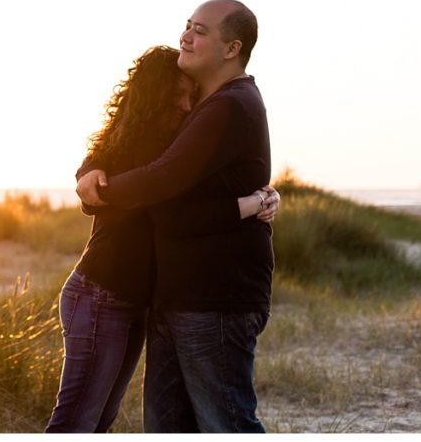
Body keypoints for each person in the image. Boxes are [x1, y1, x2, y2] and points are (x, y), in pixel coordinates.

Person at [46, 44, 279, 433]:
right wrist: (252, 204)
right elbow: (170, 208)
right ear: (155, 99)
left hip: (131, 301)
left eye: (192, 96)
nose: (188, 106)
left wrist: (262, 195)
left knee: (97, 419)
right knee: (76, 422)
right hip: (102, 293)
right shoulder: (145, 151)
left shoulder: (169, 145)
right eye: (179, 98)